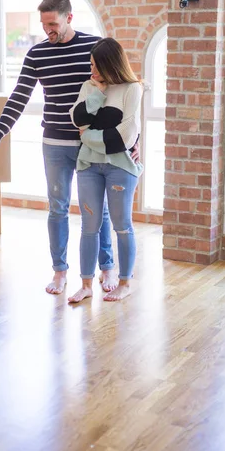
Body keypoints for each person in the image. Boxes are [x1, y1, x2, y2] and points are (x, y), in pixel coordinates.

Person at [0, 0, 139, 295]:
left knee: (98, 212)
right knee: (57, 208)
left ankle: (106, 267)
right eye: (43, 24)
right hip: (53, 144)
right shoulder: (37, 54)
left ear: (69, 17)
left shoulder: (92, 48)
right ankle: (60, 272)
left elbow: (123, 92)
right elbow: (19, 97)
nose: (47, 30)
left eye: (52, 23)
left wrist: (136, 140)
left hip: (90, 144)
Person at [68, 37, 143, 304]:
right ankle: (86, 284)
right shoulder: (89, 86)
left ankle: (125, 283)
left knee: (122, 226)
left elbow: (127, 134)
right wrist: (97, 94)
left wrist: (89, 136)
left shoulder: (132, 89)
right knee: (89, 226)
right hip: (88, 166)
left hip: (120, 167)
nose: (93, 71)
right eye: (91, 65)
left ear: (112, 65)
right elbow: (77, 119)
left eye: (97, 66)